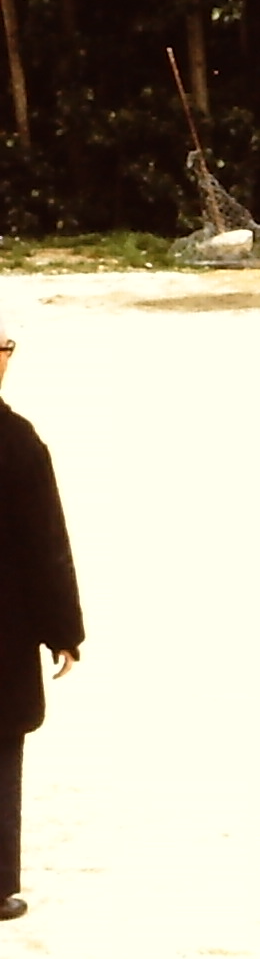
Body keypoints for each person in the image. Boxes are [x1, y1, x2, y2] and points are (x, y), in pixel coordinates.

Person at [0, 314, 81, 923]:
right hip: (3, 637)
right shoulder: (18, 443)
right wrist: (65, 632)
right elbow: (45, 546)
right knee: (1, 757)